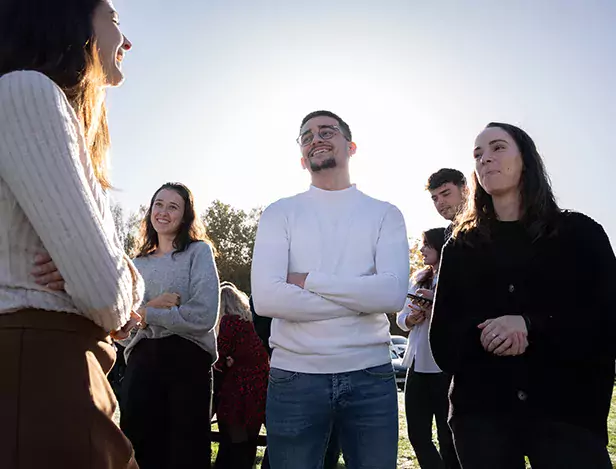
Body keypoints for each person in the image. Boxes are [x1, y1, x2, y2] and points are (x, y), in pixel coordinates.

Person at [0, 1, 143, 467]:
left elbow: (107, 280)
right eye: (115, 19)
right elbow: (104, 292)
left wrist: (117, 278)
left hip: (59, 363)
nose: (126, 40)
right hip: (41, 368)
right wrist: (115, 288)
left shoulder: (42, 105)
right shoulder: (27, 92)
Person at [429, 122, 616, 469]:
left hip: (567, 414)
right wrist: (488, 335)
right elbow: (443, 339)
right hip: (481, 417)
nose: (486, 159)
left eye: (498, 148)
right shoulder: (460, 245)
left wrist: (531, 326)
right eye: (477, 154)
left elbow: (605, 320)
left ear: (526, 160)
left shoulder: (581, 234)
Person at [251, 110, 410, 469]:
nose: (315, 138)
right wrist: (360, 299)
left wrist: (310, 281)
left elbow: (391, 295)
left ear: (350, 146)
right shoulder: (279, 213)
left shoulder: (385, 214)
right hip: (294, 377)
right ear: (301, 157)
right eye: (306, 136)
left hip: (370, 375)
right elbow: (266, 298)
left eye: (327, 131)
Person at [120, 182, 220, 469]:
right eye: (158, 204)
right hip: (141, 366)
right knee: (139, 452)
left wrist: (147, 314)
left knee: (185, 454)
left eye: (173, 206)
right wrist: (154, 306)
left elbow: (203, 315)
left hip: (187, 363)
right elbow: (124, 329)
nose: (163, 212)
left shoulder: (198, 253)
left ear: (186, 215)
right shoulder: (136, 264)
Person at [249, 297, 343, 469]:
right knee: (289, 446)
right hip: (295, 366)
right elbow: (261, 308)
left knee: (324, 444)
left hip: (320, 365)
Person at [397, 228, 459, 469]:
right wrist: (411, 319)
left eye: (427, 245)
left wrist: (434, 307)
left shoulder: (455, 278)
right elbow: (401, 317)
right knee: (417, 434)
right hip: (416, 365)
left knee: (447, 434)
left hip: (442, 366)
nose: (421, 250)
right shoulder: (418, 278)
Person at [213, 283, 270, 469]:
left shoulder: (229, 323)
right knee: (248, 446)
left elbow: (217, 358)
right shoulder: (251, 324)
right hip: (259, 392)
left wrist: (225, 362)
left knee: (231, 446)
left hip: (237, 394)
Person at [426, 168, 467, 239]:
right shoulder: (447, 236)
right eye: (435, 199)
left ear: (465, 191)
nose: (440, 202)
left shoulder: (487, 221)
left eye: (446, 194)